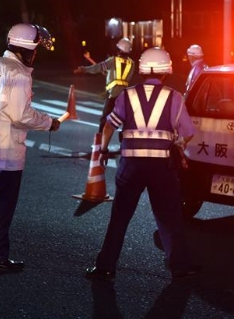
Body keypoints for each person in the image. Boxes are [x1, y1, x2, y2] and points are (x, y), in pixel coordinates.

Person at [84, 47, 201, 281]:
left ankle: (106, 266)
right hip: (162, 168)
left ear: (143, 69)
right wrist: (177, 143)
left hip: (131, 166)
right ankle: (180, 266)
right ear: (166, 71)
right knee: (169, 216)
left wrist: (104, 149)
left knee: (120, 217)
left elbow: (109, 125)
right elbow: (188, 132)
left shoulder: (127, 95)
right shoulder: (174, 97)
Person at [0, 23, 62, 271]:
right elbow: (20, 115)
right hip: (4, 150)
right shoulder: (18, 74)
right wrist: (50, 122)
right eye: (36, 49)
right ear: (29, 49)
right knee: (1, 206)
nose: (36, 54)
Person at [74, 38, 136, 133]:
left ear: (120, 49)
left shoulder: (113, 60)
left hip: (112, 94)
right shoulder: (132, 63)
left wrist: (84, 69)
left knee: (105, 117)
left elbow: (98, 67)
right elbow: (122, 77)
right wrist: (109, 73)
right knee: (124, 118)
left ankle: (100, 141)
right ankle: (125, 139)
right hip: (124, 95)